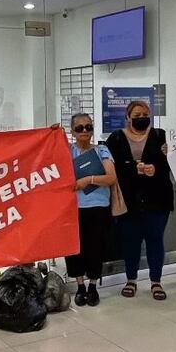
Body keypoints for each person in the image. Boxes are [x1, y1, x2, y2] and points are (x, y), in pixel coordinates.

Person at [105, 100, 174, 300]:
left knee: (155, 241)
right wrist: (131, 169)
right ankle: (131, 279)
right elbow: (109, 166)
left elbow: (173, 163)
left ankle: (156, 282)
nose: (142, 118)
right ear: (127, 118)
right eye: (137, 115)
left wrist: (157, 168)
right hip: (128, 200)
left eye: (145, 114)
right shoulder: (116, 138)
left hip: (157, 199)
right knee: (130, 242)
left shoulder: (161, 136)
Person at [64, 114, 117, 307]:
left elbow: (111, 178)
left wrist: (88, 180)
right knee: (74, 249)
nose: (84, 131)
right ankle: (80, 286)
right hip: (73, 209)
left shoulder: (101, 150)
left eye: (88, 127)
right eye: (79, 128)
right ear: (72, 131)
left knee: (96, 248)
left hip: (98, 208)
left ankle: (93, 286)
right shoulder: (67, 151)